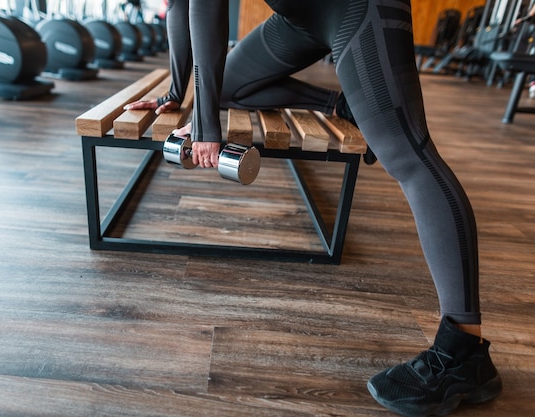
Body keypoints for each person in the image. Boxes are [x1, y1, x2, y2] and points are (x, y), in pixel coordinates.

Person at [124, 1, 503, 416]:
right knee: (232, 86)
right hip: (300, 18)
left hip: (358, 8)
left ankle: (464, 352)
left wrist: (206, 127)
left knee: (410, 157)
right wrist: (177, 93)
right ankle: (343, 105)